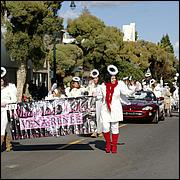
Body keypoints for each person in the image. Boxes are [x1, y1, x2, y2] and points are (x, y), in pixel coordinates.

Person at [100, 65, 133, 153]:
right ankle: (108, 143)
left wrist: (132, 88)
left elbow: (127, 93)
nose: (114, 80)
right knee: (105, 127)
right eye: (112, 78)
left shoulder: (120, 85)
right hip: (105, 109)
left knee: (115, 127)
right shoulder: (103, 86)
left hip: (116, 108)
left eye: (115, 78)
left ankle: (114, 145)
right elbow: (99, 97)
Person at [1, 67, 17, 151]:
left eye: (1, 80)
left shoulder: (8, 88)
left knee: (2, 127)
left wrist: (5, 102)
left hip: (4, 110)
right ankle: (8, 145)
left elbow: (14, 99)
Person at [87, 69, 103, 138]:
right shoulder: (90, 86)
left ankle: (100, 131)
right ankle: (94, 131)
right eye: (93, 78)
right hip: (91, 103)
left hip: (99, 102)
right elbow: (87, 93)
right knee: (92, 117)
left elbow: (103, 95)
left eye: (96, 78)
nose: (95, 79)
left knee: (99, 117)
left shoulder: (101, 86)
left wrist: (98, 96)